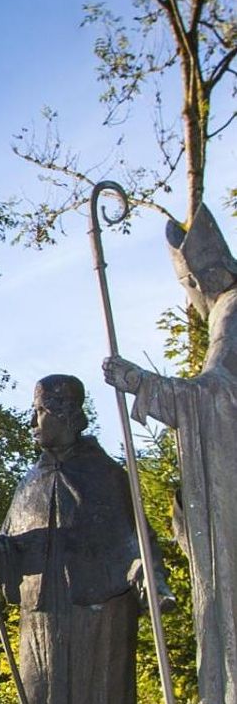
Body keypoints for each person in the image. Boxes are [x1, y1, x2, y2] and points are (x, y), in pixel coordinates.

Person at [0, 374, 169, 704]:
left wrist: (151, 578)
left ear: (64, 413)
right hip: (41, 619)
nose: (31, 421)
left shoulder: (107, 476)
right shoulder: (30, 483)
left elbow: (138, 542)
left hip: (98, 618)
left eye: (38, 411)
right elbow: (10, 554)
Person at [104, 204, 237, 704]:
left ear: (209, 276)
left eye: (191, 284)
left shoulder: (232, 308)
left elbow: (219, 396)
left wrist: (143, 383)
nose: (194, 295)